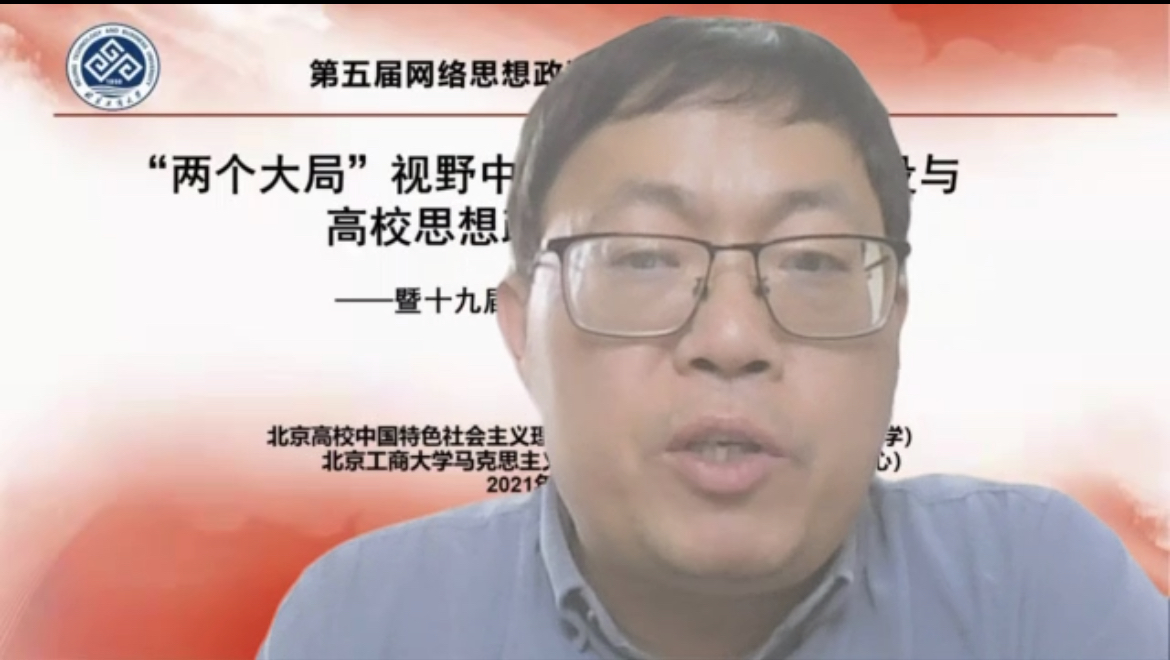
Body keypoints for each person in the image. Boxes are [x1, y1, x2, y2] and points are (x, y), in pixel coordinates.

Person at [258, 16, 1169, 660]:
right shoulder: (365, 622)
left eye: (811, 262)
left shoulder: (1034, 592)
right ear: (521, 332)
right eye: (644, 257)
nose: (732, 338)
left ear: (894, 323)